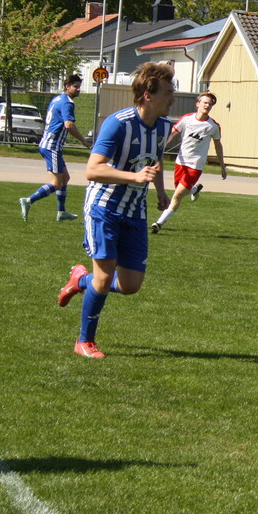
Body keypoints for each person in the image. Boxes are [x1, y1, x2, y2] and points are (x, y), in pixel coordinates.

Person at [56, 62, 175, 359]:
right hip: (104, 208)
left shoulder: (163, 126)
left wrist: (160, 191)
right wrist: (134, 177)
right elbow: (93, 170)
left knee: (131, 285)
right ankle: (84, 341)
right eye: (168, 92)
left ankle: (80, 280)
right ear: (148, 95)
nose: (172, 97)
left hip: (135, 212)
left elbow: (155, 161)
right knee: (105, 277)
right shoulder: (118, 123)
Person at [150, 91, 227, 234]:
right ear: (198, 103)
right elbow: (172, 133)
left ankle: (159, 223)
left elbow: (218, 145)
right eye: (205, 102)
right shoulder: (187, 119)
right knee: (180, 190)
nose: (207, 106)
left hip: (195, 165)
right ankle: (194, 190)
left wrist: (222, 166)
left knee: (177, 195)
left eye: (210, 104)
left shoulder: (213, 126)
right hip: (180, 162)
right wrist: (161, 148)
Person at [19, 74, 92, 222]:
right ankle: (28, 200)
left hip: (48, 144)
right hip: (52, 146)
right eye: (75, 87)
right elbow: (68, 125)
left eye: (79, 87)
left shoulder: (57, 99)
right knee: (56, 183)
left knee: (65, 178)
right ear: (67, 86)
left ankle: (61, 212)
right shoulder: (67, 103)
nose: (78, 89)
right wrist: (84, 141)